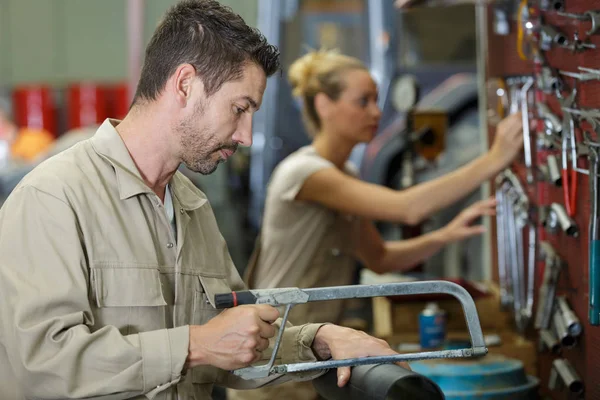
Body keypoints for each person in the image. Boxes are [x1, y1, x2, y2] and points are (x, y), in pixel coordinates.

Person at [0, 2, 409, 399]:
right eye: (239, 108)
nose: (246, 135)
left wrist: (317, 341)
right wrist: (195, 345)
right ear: (184, 84)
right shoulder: (53, 199)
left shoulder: (191, 206)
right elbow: (40, 365)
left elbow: (233, 340)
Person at [227, 49, 523, 400]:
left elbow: (379, 257)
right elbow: (407, 208)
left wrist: (446, 235)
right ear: (324, 105)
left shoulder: (342, 174)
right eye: (363, 101)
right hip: (276, 360)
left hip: (310, 355)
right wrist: (494, 160)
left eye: (376, 101)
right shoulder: (306, 173)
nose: (376, 113)